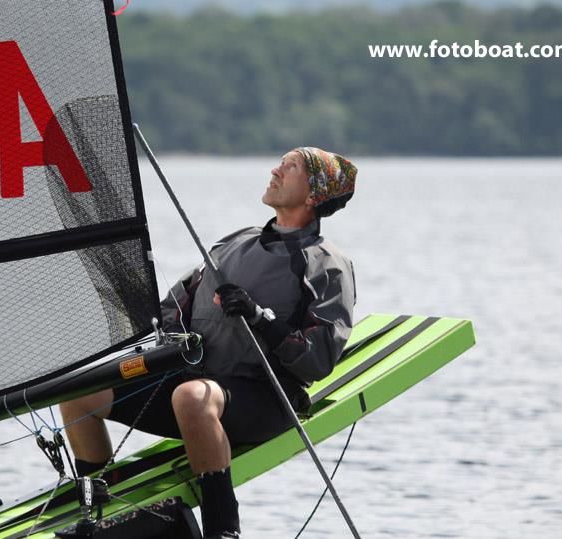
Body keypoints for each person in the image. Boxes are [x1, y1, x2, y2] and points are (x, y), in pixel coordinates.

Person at [60, 147, 357, 539]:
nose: (275, 170)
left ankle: (223, 528)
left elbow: (318, 360)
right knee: (79, 392)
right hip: (195, 384)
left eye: (291, 167)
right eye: (280, 163)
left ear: (314, 195)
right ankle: (97, 511)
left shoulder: (326, 264)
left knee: (191, 397)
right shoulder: (236, 242)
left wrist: (257, 317)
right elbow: (172, 308)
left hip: (264, 397)